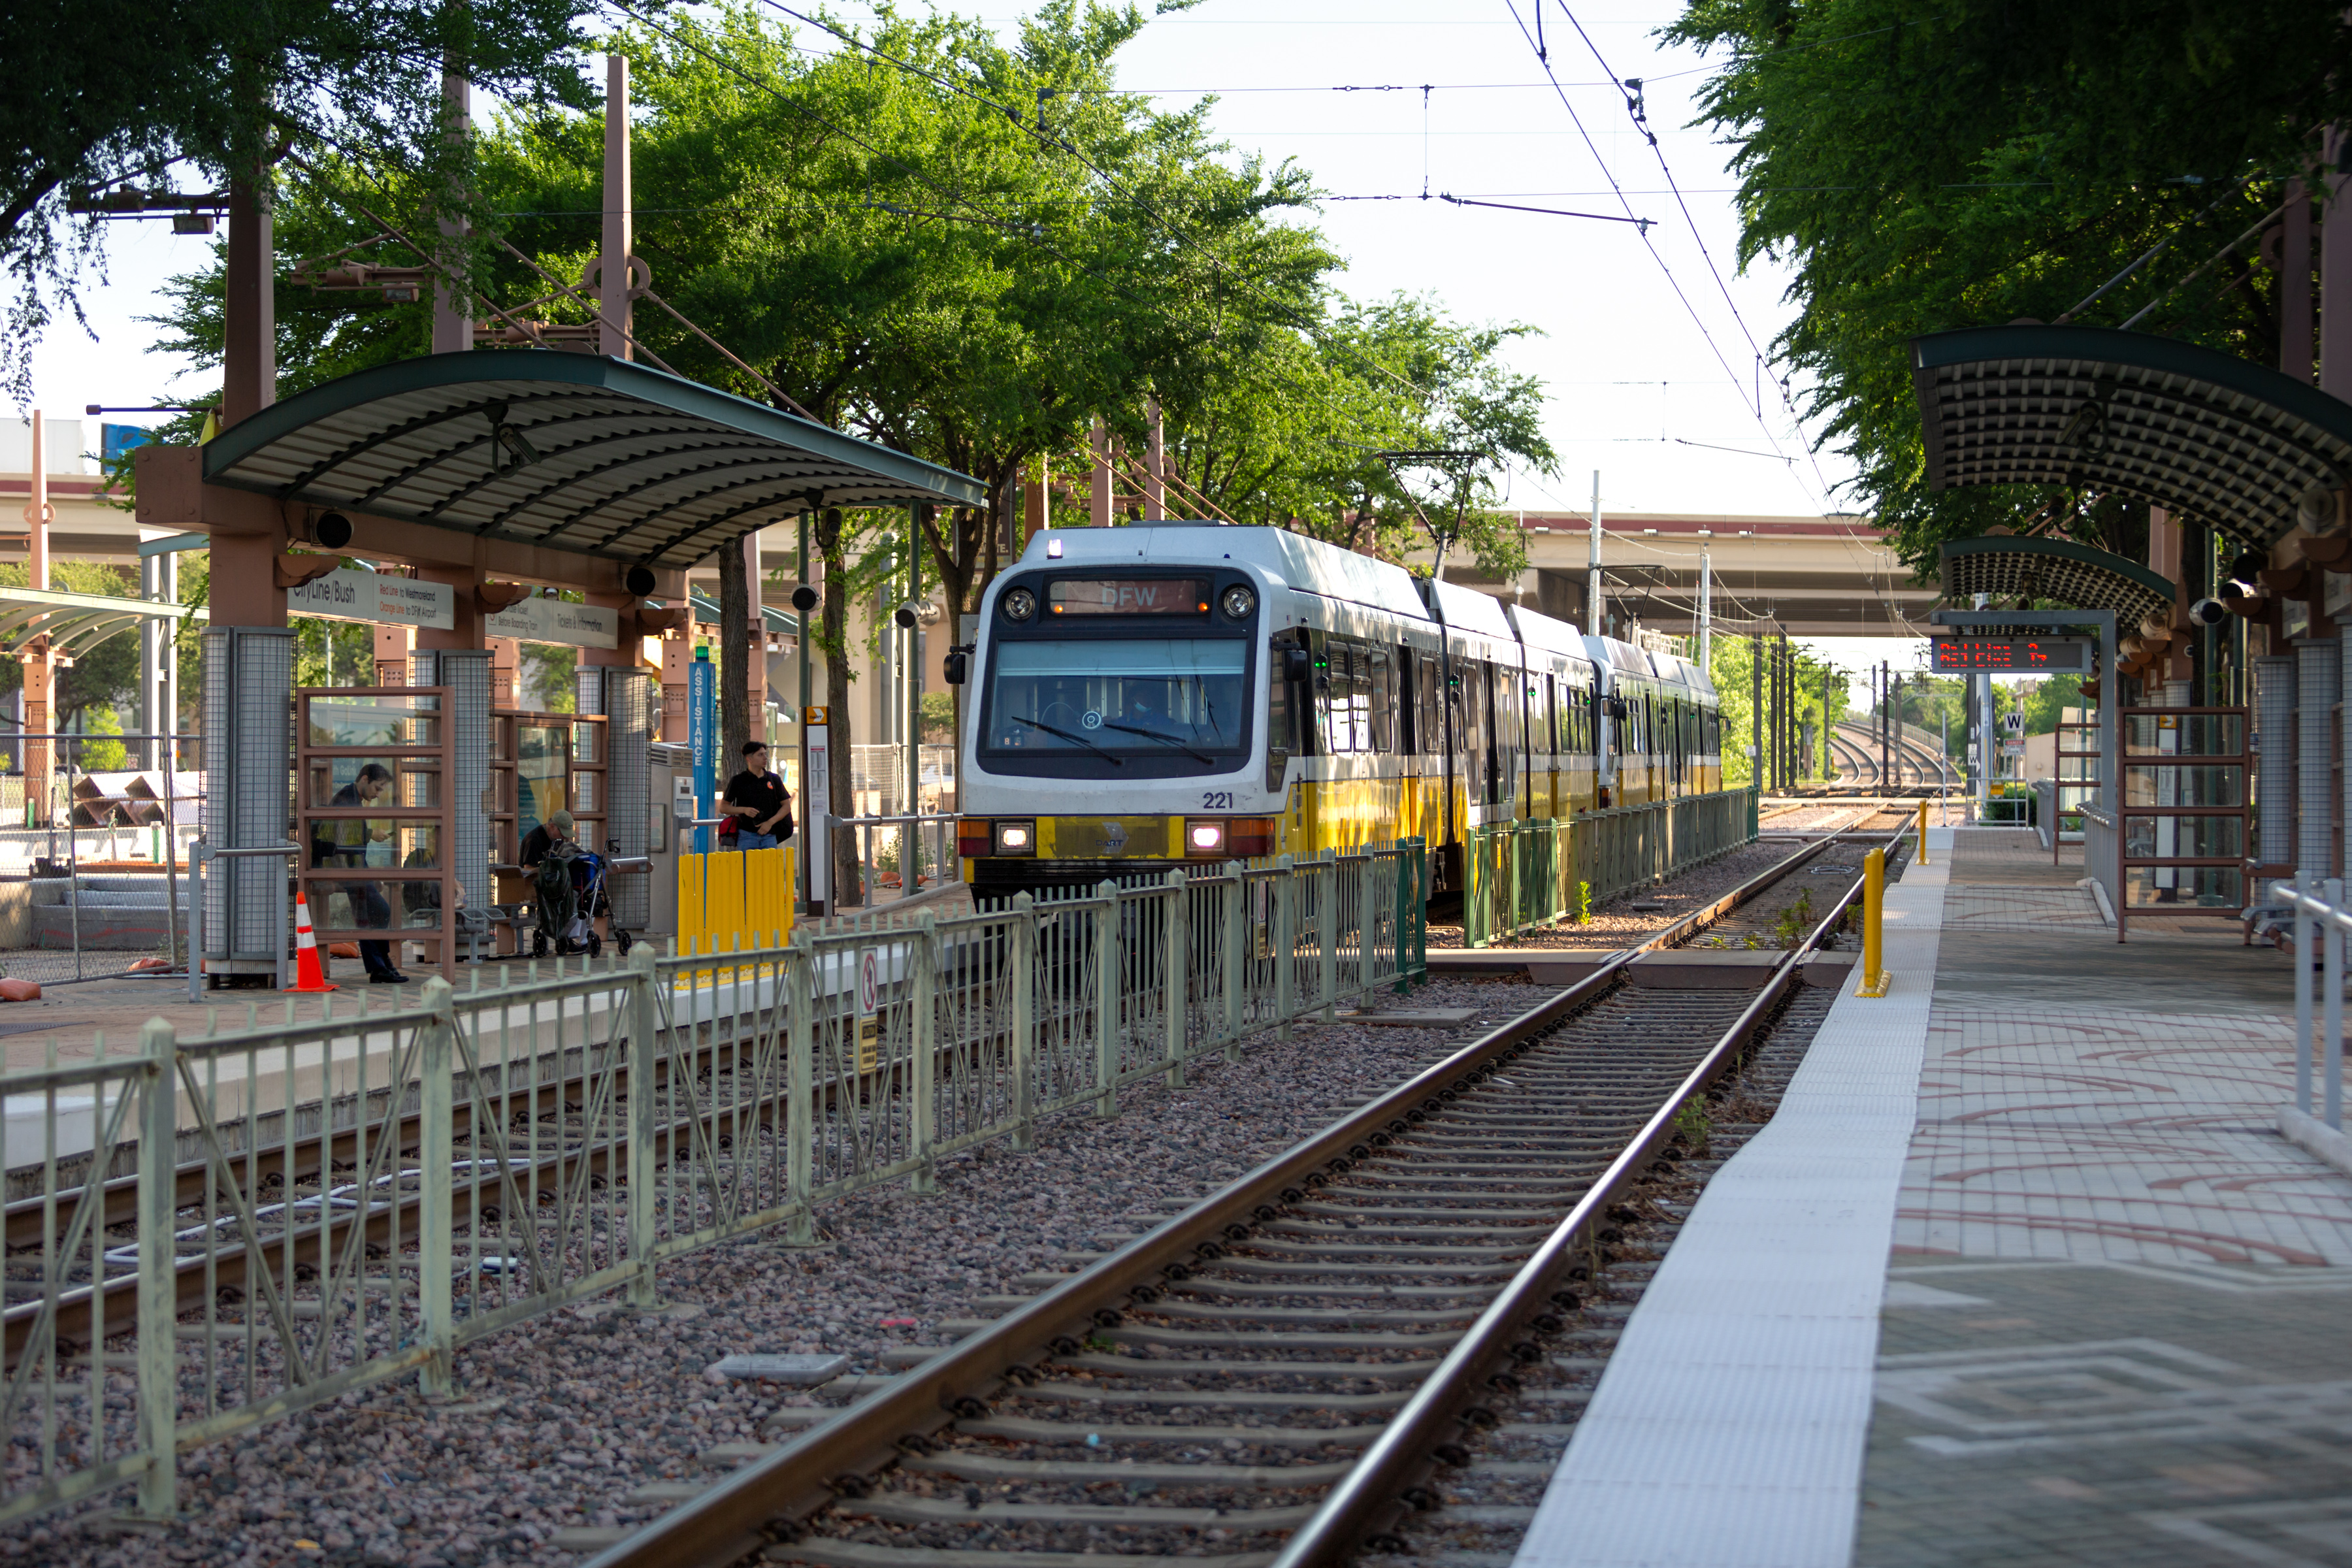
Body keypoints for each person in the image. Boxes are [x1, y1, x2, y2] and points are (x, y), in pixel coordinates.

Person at [313, 761, 404, 985]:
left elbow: (346, 836)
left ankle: (382, 966)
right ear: (365, 779)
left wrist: (370, 834)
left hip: (352, 870)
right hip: (350, 871)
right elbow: (345, 840)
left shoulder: (349, 798)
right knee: (378, 912)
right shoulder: (347, 800)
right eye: (378, 788)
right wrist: (371, 834)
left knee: (371, 916)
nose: (378, 794)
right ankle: (381, 966)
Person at [721, 741, 792, 850]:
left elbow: (786, 806)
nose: (765, 758)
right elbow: (723, 807)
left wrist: (770, 823)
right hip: (746, 836)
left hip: (770, 835)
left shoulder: (773, 779)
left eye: (765, 754)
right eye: (760, 755)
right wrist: (744, 810)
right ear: (749, 759)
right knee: (747, 867)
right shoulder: (738, 781)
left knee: (769, 867)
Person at [520, 808, 574, 872]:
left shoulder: (557, 839)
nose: (564, 837)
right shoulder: (533, 840)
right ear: (552, 826)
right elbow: (529, 870)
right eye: (562, 833)